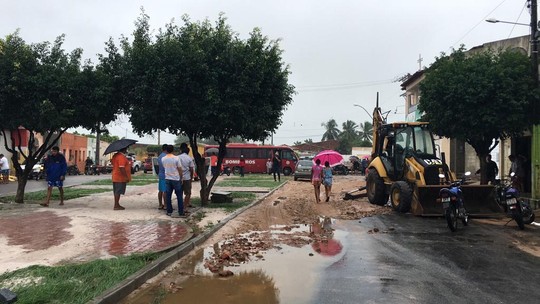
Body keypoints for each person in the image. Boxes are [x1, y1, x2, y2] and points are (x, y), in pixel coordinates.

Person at [162, 145, 185, 217]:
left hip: (167, 178)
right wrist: (181, 178)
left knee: (168, 195)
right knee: (179, 196)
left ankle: (169, 211)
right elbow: (180, 169)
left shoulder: (163, 159)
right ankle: (181, 211)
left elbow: (164, 167)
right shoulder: (176, 158)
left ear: (166, 150)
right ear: (173, 150)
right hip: (176, 178)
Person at [179, 143, 195, 210]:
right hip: (187, 178)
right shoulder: (189, 158)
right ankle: (184, 207)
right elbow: (191, 169)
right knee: (188, 193)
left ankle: (180, 207)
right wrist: (191, 178)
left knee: (179, 193)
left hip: (179, 178)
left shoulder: (177, 157)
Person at [157, 144, 168, 210]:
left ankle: (160, 204)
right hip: (165, 175)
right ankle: (166, 205)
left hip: (161, 174)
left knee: (160, 190)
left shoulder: (160, 156)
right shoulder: (166, 157)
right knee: (165, 191)